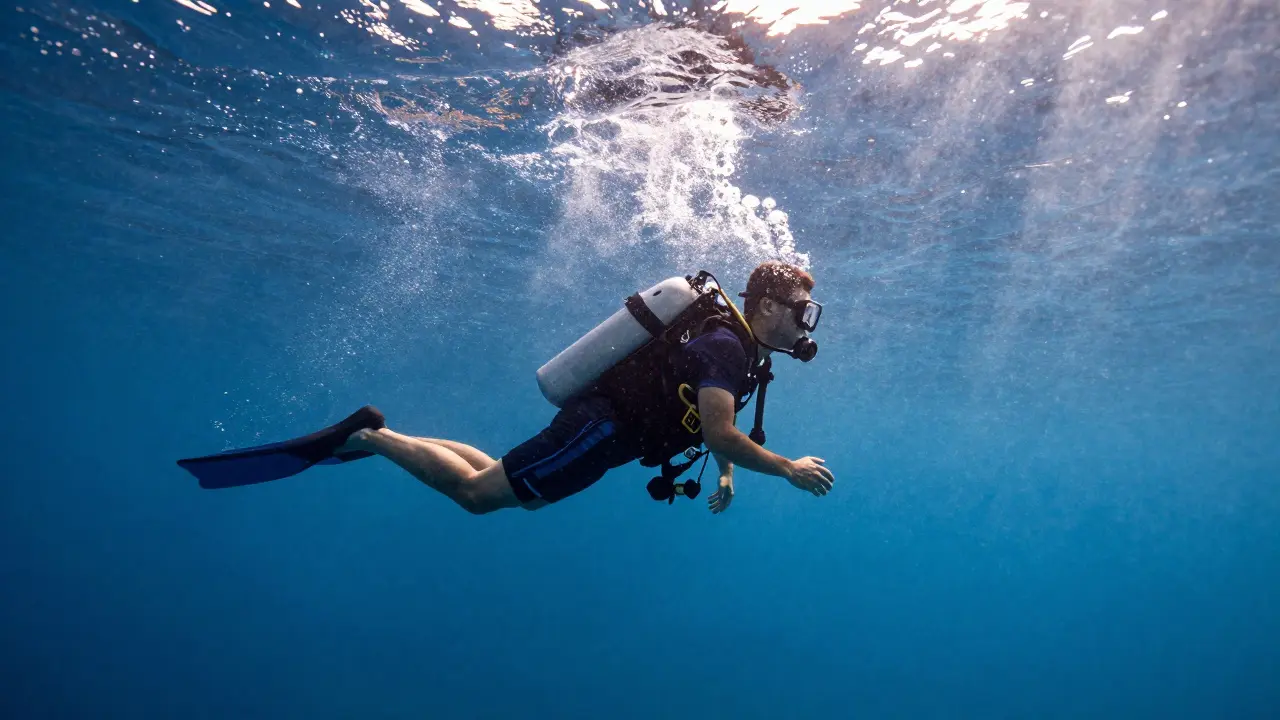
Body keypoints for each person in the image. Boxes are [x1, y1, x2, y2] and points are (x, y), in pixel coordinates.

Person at [177, 261, 835, 514]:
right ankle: (370, 438)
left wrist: (724, 477)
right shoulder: (728, 344)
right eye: (801, 311)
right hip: (600, 431)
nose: (805, 325)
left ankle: (377, 433)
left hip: (604, 433)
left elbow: (705, 416)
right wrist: (786, 468)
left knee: (495, 479)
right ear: (770, 306)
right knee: (477, 496)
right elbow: (719, 426)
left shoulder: (738, 351)